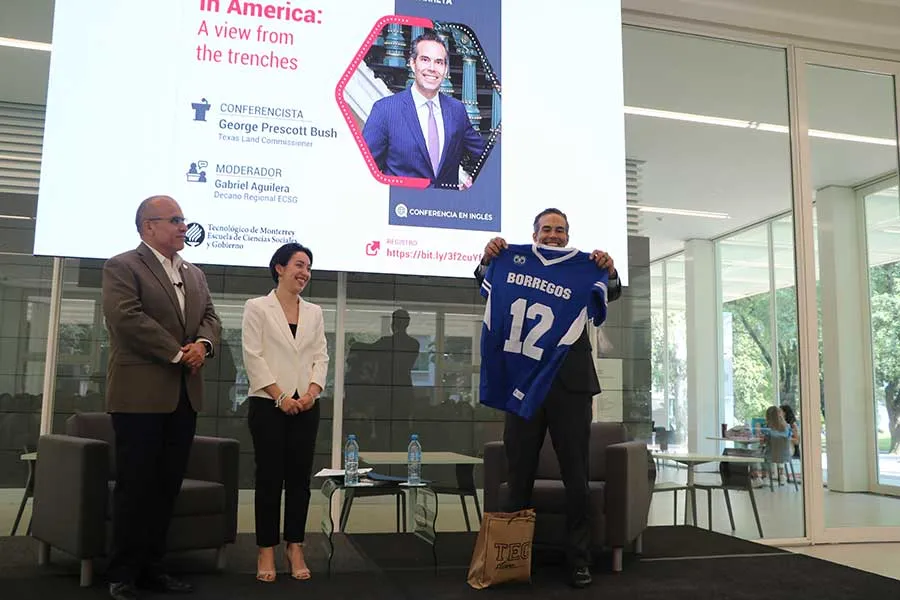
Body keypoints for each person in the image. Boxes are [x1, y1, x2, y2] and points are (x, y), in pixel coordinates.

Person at [474, 208, 620, 588]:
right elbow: (485, 281)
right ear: (535, 234)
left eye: (560, 230)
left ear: (568, 235)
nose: (554, 235)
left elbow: (610, 292)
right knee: (518, 472)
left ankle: (579, 560)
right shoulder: (512, 259)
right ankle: (512, 557)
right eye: (547, 229)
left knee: (576, 475)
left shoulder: (584, 266)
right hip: (523, 383)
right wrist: (488, 259)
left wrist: (610, 271)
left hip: (570, 386)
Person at [101, 195, 221, 600]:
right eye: (175, 219)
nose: (184, 226)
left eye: (184, 219)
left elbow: (211, 317)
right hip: (139, 397)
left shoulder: (194, 273)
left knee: (167, 487)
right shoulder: (122, 266)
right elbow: (126, 318)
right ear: (148, 226)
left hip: (184, 397)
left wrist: (202, 345)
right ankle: (122, 573)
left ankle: (154, 569)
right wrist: (178, 353)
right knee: (135, 486)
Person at [241, 243, 329, 583]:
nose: (305, 272)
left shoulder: (315, 312)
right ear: (279, 268)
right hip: (268, 404)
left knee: (299, 481)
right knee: (268, 479)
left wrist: (311, 393)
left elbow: (321, 356)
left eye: (308, 267)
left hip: (306, 405)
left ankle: (295, 546)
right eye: (299, 265)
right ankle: (266, 548)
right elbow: (253, 356)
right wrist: (280, 397)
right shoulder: (257, 307)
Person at [362, 30, 487, 190]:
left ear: (445, 68)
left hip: (446, 204)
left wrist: (475, 185)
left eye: (439, 62)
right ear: (412, 63)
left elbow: (483, 156)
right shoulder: (385, 110)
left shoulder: (457, 110)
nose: (432, 68)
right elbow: (364, 171)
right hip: (402, 204)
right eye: (425, 60)